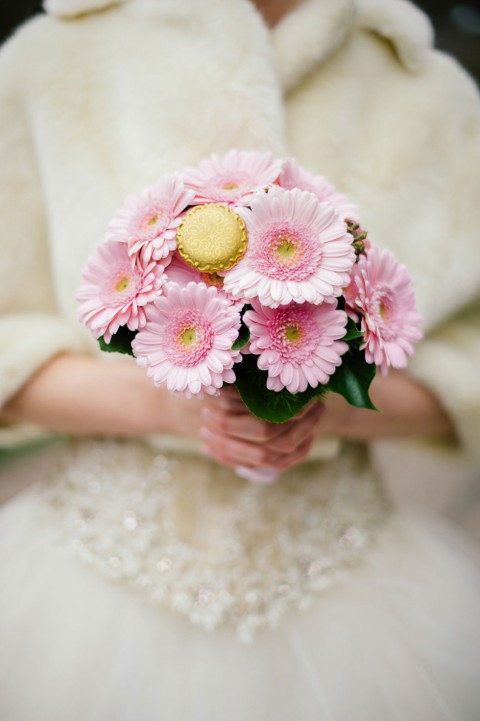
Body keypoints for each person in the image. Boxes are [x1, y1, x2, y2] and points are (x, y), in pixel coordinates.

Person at [0, 0, 479, 718]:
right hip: (93, 575)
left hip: (347, 587)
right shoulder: (51, 60)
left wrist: (328, 407)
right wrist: (171, 401)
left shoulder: (430, 93)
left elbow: (467, 360)